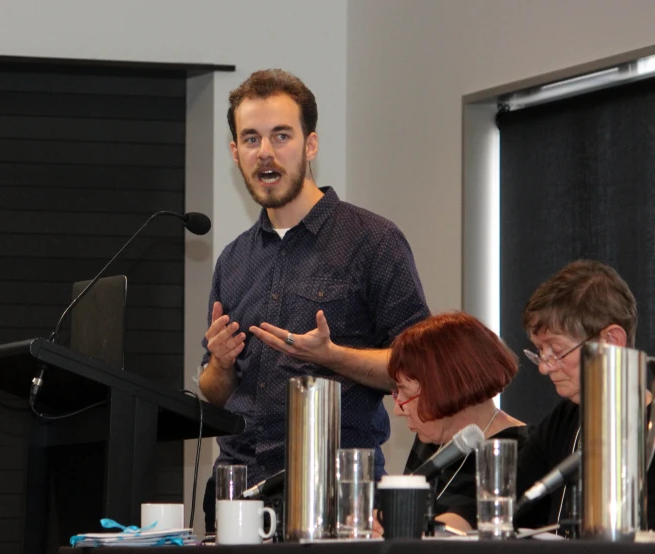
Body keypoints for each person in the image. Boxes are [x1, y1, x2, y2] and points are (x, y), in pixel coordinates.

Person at [197, 69, 429, 530]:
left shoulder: (373, 242)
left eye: (281, 136)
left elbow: (420, 369)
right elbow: (213, 394)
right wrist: (220, 366)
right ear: (235, 153)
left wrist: (334, 357)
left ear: (311, 144)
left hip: (339, 494)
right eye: (250, 139)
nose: (265, 152)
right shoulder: (233, 260)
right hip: (237, 494)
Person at [515, 259, 655, 531]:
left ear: (611, 341)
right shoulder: (563, 421)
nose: (544, 368)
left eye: (556, 351)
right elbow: (512, 504)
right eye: (540, 352)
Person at [384, 312, 525, 533]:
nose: (397, 409)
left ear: (445, 388)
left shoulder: (521, 452)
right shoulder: (431, 438)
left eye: (405, 392)